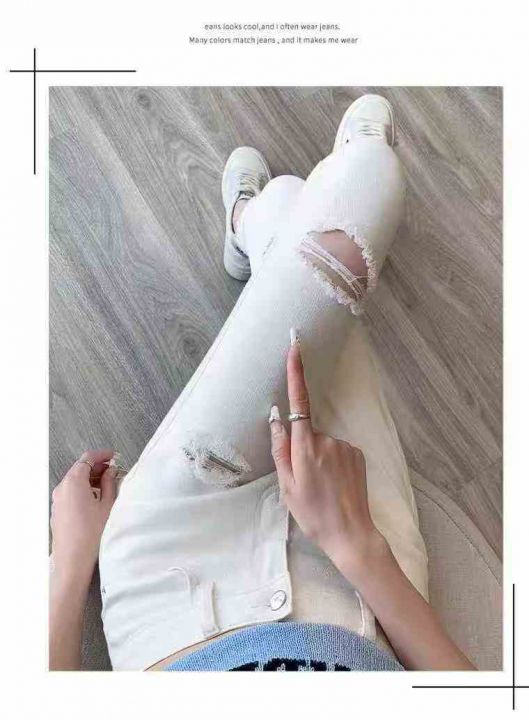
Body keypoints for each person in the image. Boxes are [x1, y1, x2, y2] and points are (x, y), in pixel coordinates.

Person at [49, 94, 475, 672]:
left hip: (170, 576)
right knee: (362, 190)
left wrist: (70, 561)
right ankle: (261, 223)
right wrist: (359, 545)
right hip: (364, 599)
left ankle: (256, 223)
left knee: (351, 203)